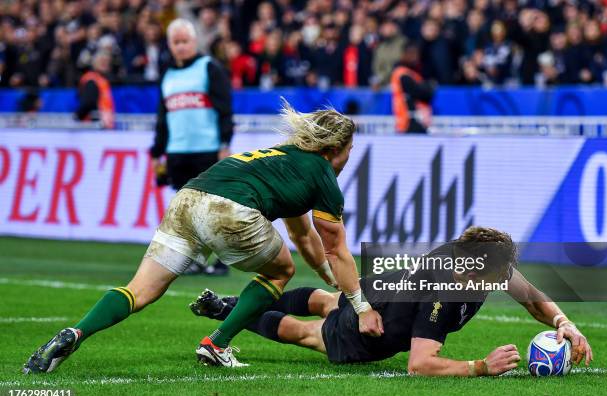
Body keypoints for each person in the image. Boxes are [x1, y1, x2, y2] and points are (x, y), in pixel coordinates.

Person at [22, 100, 384, 373]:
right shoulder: (322, 174)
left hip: (187, 198)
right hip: (229, 210)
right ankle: (218, 343)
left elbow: (304, 236)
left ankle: (75, 333)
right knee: (279, 272)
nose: (349, 157)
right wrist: (361, 305)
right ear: (333, 149)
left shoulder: (285, 159)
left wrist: (331, 282)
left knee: (140, 291)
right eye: (349, 149)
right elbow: (335, 249)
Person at [192, 226, 593, 375]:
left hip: (374, 291)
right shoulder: (447, 293)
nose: (505, 280)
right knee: (306, 332)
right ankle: (227, 309)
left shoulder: (478, 260)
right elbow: (420, 364)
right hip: (370, 330)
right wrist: (481, 366)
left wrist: (563, 322)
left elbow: (531, 298)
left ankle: (234, 303)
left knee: (327, 300)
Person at [150, 18, 233, 275]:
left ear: (194, 41)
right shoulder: (167, 75)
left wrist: (224, 143)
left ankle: (222, 261)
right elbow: (163, 118)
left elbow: (224, 110)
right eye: (176, 42)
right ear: (169, 45)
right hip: (177, 152)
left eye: (185, 41)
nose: (181, 46)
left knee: (212, 209)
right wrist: (157, 152)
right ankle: (195, 259)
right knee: (185, 211)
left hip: (206, 150)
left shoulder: (209, 68)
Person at [390, 45, 434, 134]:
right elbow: (420, 93)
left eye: (416, 54)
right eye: (412, 54)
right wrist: (429, 87)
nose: (415, 57)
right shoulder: (403, 74)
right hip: (409, 121)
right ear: (404, 55)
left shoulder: (409, 72)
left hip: (408, 121)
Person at [75, 51, 115, 129]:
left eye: (107, 62)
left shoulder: (103, 80)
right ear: (94, 63)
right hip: (94, 127)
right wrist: (76, 119)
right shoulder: (91, 80)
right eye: (102, 61)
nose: (105, 64)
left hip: (104, 126)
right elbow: (88, 103)